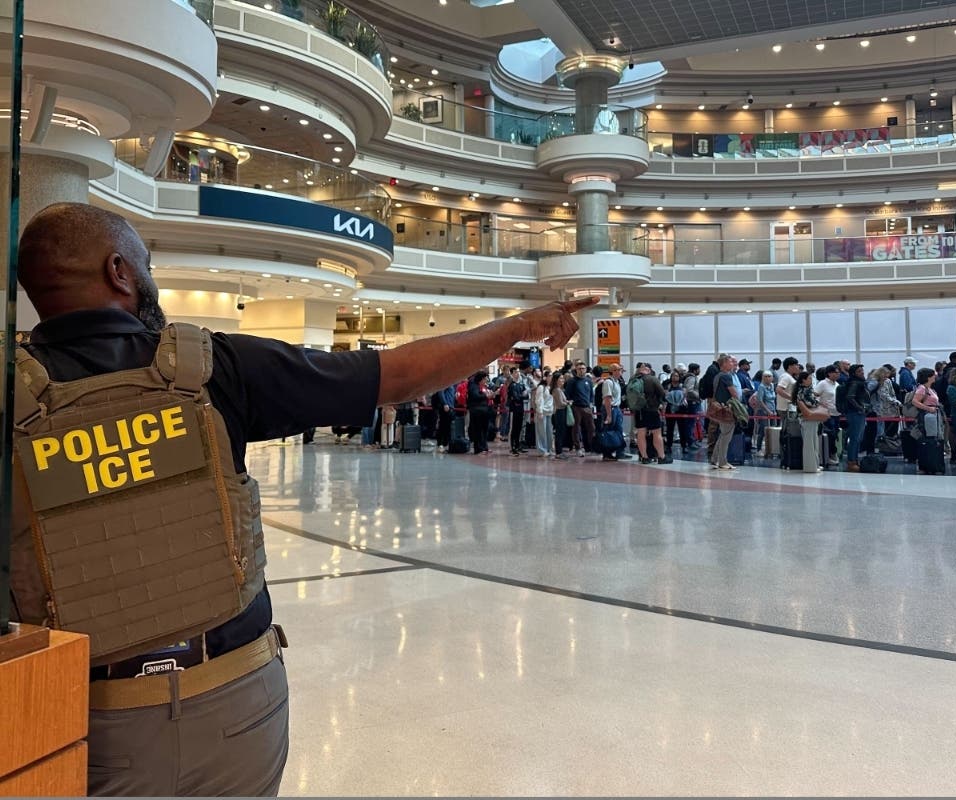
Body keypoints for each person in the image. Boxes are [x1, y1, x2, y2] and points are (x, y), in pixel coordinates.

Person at [10, 202, 595, 797]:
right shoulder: (214, 368)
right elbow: (396, 375)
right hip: (234, 701)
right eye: (147, 263)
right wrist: (519, 327)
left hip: (81, 715)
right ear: (119, 272)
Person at [791, 371, 823, 473]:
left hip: (811, 418)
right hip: (807, 418)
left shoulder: (807, 390)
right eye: (809, 378)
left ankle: (815, 464)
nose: (811, 380)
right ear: (803, 380)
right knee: (809, 443)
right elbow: (809, 403)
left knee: (813, 442)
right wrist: (818, 403)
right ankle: (810, 466)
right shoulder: (803, 391)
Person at [842, 364, 871, 472]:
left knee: (858, 438)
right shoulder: (854, 383)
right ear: (854, 373)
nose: (862, 372)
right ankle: (851, 461)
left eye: (862, 370)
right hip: (855, 413)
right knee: (855, 438)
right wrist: (860, 408)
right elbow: (850, 397)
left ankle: (854, 460)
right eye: (859, 371)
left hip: (858, 413)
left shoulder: (859, 382)